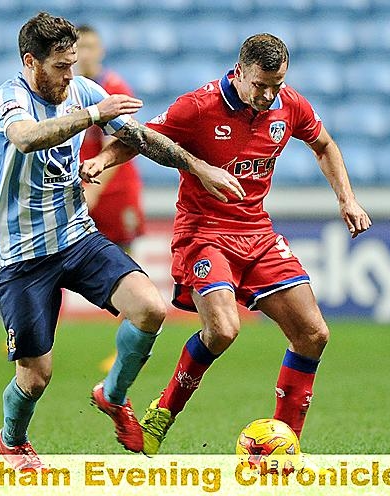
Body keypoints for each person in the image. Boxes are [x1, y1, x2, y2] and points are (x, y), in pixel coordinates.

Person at [81, 33, 372, 455]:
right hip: (204, 234)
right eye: (260, 85)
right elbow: (140, 138)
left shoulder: (289, 105)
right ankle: (163, 411)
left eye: (277, 84)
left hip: (257, 233)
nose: (269, 94)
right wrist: (102, 160)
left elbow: (323, 144)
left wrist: (347, 197)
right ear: (239, 73)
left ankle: (284, 446)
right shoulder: (197, 107)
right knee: (223, 329)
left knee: (313, 334)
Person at [0, 12, 244, 469]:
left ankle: (113, 394)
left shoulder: (83, 90)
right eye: (61, 67)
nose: (71, 75)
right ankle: (12, 439)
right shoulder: (9, 98)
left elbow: (141, 138)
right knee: (35, 376)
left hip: (78, 236)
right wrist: (91, 115)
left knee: (149, 307)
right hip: (24, 255)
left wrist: (198, 167)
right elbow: (25, 140)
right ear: (31, 61)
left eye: (73, 64)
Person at [75, 24, 145, 253]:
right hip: (82, 183)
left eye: (90, 47)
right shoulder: (67, 91)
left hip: (114, 187)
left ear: (101, 51)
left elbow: (118, 142)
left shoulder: (114, 88)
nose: (85, 54)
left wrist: (93, 191)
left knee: (124, 257)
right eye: (80, 48)